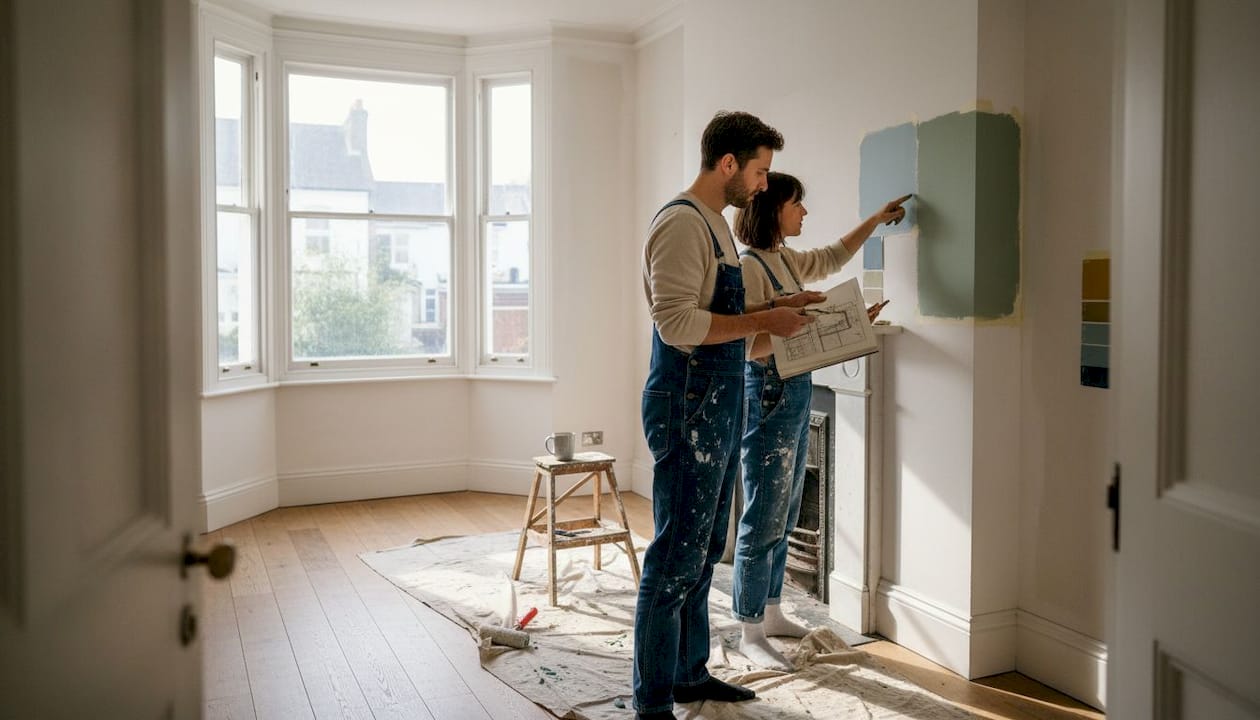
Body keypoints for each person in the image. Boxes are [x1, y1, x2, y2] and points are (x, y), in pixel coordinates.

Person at [634, 113, 824, 720]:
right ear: (728, 164)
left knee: (706, 543)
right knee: (675, 553)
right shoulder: (681, 223)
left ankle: (690, 675)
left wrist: (783, 305)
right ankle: (653, 700)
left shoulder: (714, 224)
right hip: (686, 403)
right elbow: (678, 324)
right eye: (760, 170)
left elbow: (722, 314)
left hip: (715, 402)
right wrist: (766, 320)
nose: (764, 185)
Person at [731, 172, 909, 671]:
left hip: (794, 388)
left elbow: (832, 256)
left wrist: (874, 221)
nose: (804, 212)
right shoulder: (750, 268)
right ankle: (748, 628)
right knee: (763, 512)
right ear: (773, 209)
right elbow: (750, 344)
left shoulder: (785, 260)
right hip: (767, 392)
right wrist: (806, 328)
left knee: (785, 509)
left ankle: (770, 611)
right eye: (797, 204)